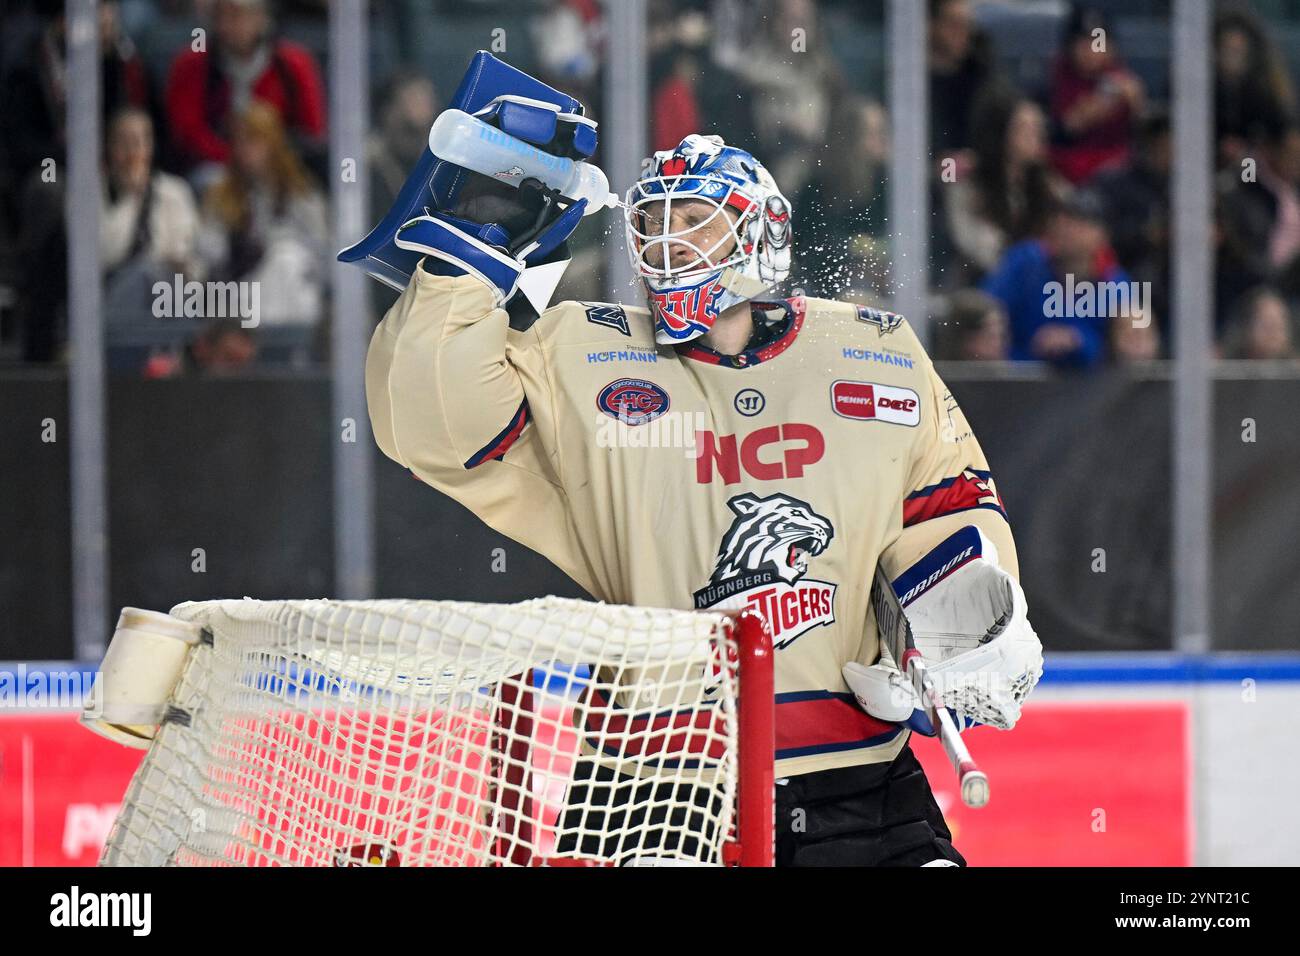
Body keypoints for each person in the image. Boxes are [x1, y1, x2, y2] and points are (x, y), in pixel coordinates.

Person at [365, 94, 1042, 863]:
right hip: (651, 787)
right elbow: (430, 427)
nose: (667, 242)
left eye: (694, 220)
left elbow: (951, 505)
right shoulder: (584, 352)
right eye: (653, 223)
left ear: (759, 232)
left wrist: (964, 621)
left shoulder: (872, 348)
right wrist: (464, 267)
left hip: (856, 779)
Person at [164, 0, 326, 186]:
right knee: (208, 181)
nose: (230, 24)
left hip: (282, 164)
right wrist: (237, 158)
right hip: (217, 165)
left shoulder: (295, 63)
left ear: (261, 18)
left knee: (307, 187)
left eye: (238, 15)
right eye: (222, 15)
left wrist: (270, 159)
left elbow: (310, 131)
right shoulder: (191, 64)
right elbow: (187, 133)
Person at [198, 102, 327, 327]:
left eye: (253, 140)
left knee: (287, 257)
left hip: (292, 291)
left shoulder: (301, 194)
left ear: (273, 144)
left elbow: (323, 254)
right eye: (238, 141)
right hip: (239, 291)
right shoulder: (220, 194)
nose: (244, 149)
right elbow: (208, 253)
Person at [981, 190, 1130, 369]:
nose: (1063, 228)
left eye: (1076, 222)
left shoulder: (1115, 284)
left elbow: (1128, 349)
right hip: (1013, 381)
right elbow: (985, 312)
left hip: (1092, 390)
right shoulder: (1025, 263)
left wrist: (1078, 341)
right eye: (1059, 220)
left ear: (1101, 235)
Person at [944, 87, 1066, 279]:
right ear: (1000, 132)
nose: (1038, 136)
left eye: (1039, 127)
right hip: (982, 286)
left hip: (1038, 286)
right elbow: (978, 248)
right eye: (1025, 128)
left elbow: (1070, 227)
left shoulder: (1048, 184)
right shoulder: (968, 184)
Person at [101, 107, 202, 324]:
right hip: (112, 285)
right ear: (109, 147)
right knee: (143, 273)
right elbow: (106, 253)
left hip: (167, 287)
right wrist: (132, 199)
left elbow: (183, 251)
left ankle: (175, 351)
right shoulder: (92, 194)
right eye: (123, 143)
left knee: (165, 279)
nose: (132, 152)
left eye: (139, 142)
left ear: (150, 147)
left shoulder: (174, 191)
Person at [1048, 4, 1145, 185]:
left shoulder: (1121, 80)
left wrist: (1137, 106)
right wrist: (1078, 120)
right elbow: (1051, 135)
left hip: (1118, 173)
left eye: (1098, 43)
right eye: (1083, 43)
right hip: (1068, 173)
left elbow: (1141, 139)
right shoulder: (1056, 78)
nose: (1091, 51)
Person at [933, 289, 1010, 361]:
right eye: (990, 337)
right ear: (967, 339)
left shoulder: (1005, 373)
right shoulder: (933, 373)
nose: (1000, 344)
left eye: (1001, 335)